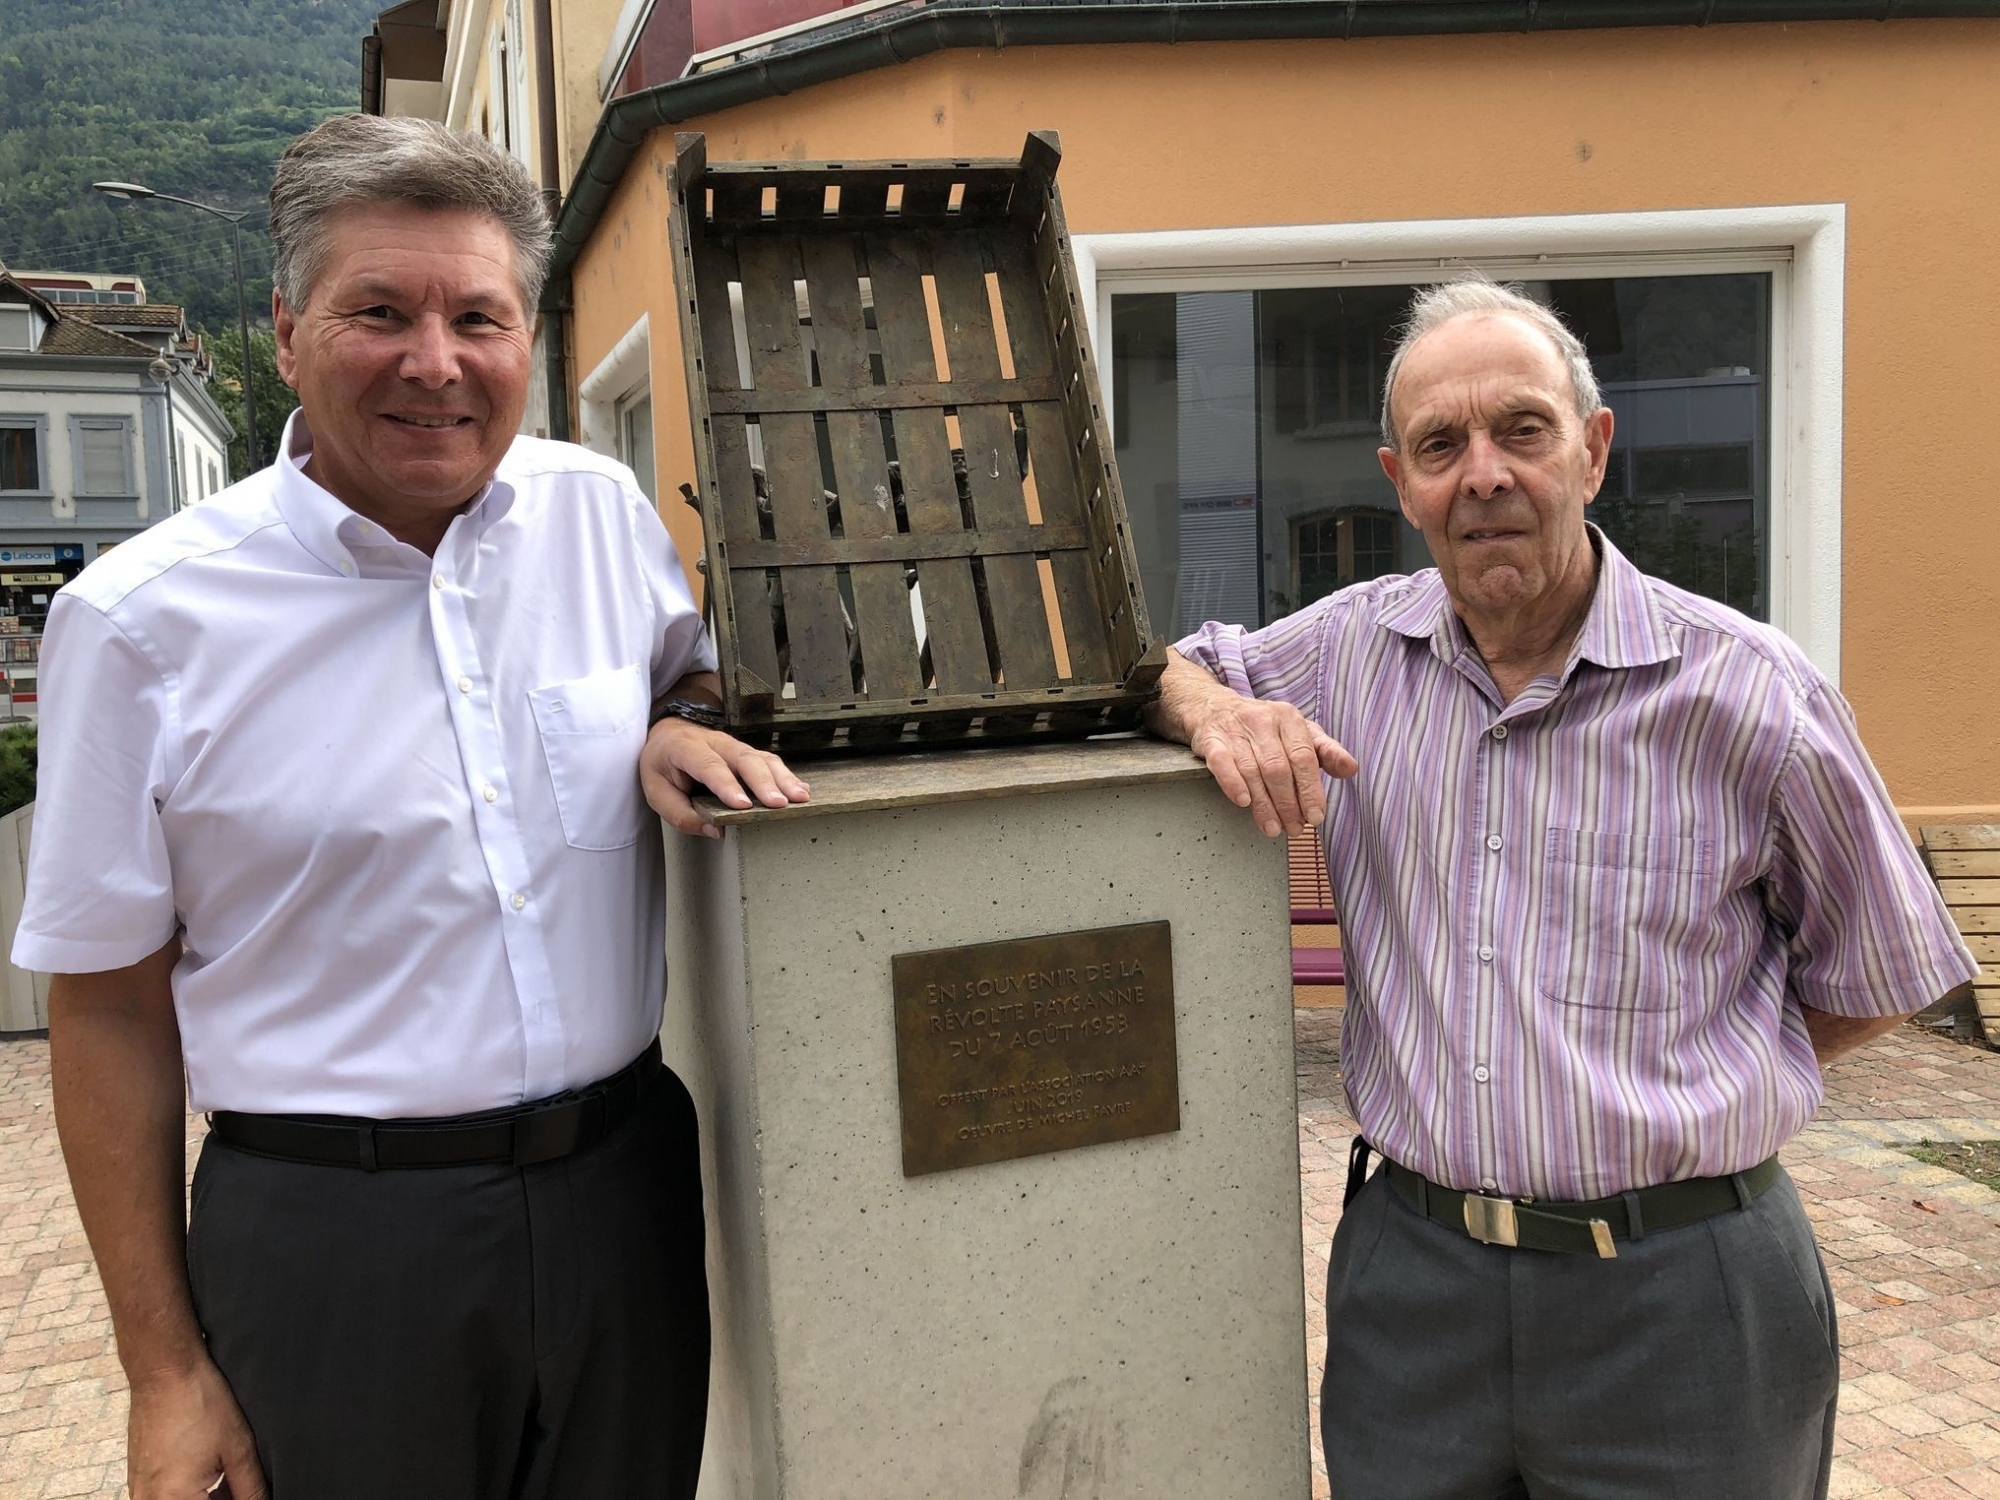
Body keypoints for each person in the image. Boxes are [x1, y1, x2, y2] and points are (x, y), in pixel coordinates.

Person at [10, 113, 808, 1500]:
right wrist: (163, 1372)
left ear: (528, 336)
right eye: (378, 310)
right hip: (335, 1242)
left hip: (623, 1194)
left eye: (477, 317)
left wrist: (680, 722)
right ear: (285, 330)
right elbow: (108, 1009)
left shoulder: (601, 514)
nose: (435, 362)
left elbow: (691, 680)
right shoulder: (137, 623)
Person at [1146, 278, 1978, 1500]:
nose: (1480, 473)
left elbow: (1877, 975)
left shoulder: (1751, 694)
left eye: (1518, 430)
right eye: (1440, 445)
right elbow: (1155, 667)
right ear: (1399, 479)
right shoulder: (1340, 653)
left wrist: (1686, 1090)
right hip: (1411, 1288)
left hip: (1685, 1297)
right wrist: (1212, 705)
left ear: (1590, 449)